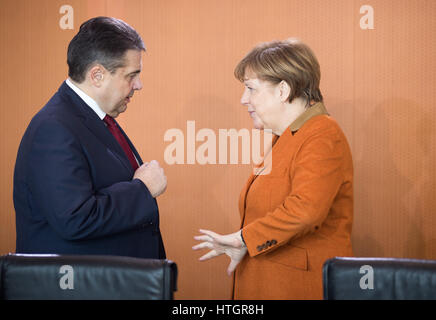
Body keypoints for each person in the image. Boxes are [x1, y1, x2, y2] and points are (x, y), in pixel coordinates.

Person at [193, 39, 353, 299]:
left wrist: (244, 239)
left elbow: (306, 210)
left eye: (251, 89)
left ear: (283, 90)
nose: (244, 99)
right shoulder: (285, 136)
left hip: (297, 288)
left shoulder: (322, 134)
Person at [13, 17, 167, 259]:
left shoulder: (94, 118)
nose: (139, 85)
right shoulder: (54, 128)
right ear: (97, 75)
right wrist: (142, 189)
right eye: (131, 75)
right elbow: (76, 218)